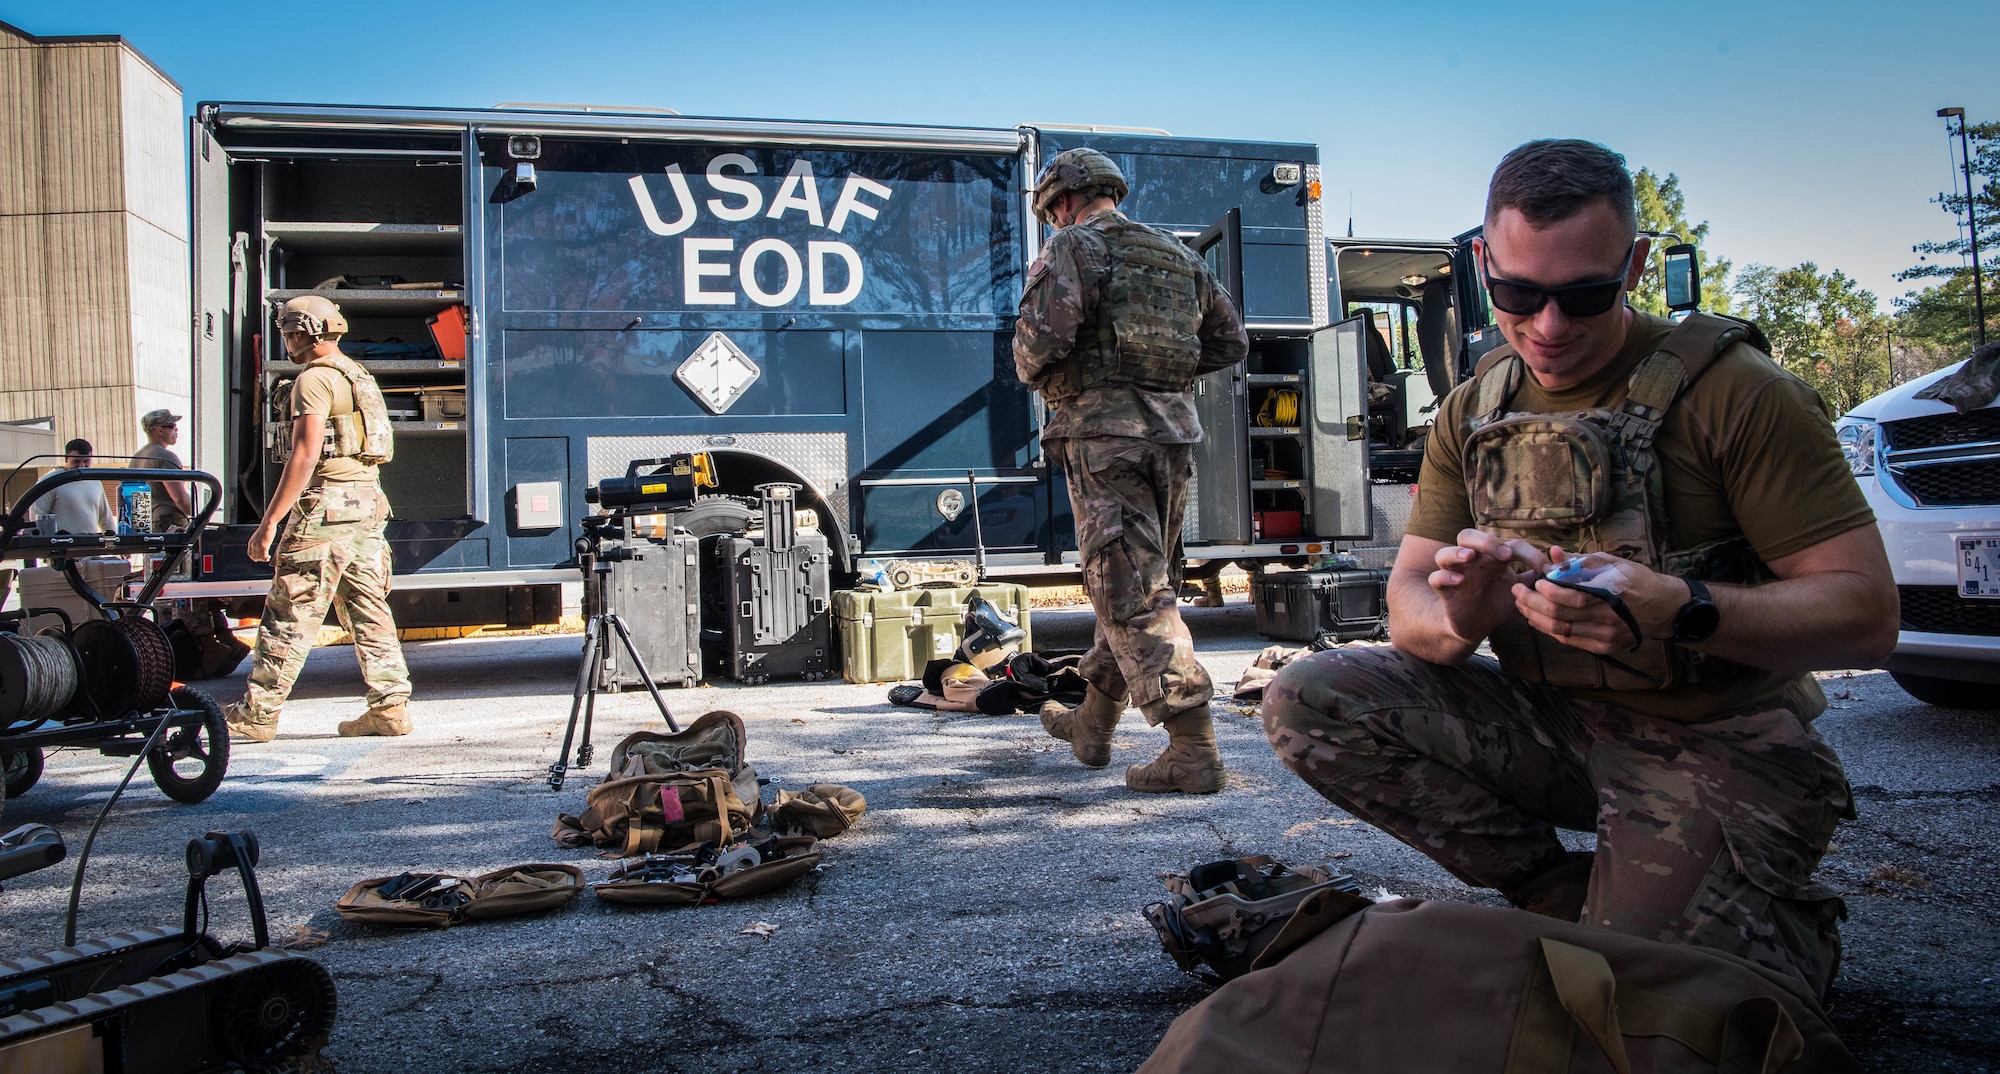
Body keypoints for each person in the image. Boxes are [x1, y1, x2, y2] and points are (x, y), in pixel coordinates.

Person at [1258, 139, 1897, 999]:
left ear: (1634, 265)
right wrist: (1463, 614)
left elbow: (1866, 614)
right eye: (1518, 294)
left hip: (1716, 735)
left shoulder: (1738, 395)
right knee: (1308, 695)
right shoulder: (1474, 407)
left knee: (1660, 1013)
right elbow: (1410, 604)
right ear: (1483, 264)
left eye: (1586, 295)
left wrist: (1684, 607)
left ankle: (1744, 931)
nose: (1548, 327)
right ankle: (1556, 896)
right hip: (1556, 724)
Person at [1014, 148, 1249, 794]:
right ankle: (1093, 726)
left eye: (1051, 210)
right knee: (1130, 576)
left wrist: (1096, 381)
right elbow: (1231, 341)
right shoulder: (1179, 256)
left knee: (1131, 589)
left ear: (1062, 202)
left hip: (1102, 439)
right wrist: (1160, 376)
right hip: (1170, 440)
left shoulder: (1074, 249)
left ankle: (1193, 747)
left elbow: (1034, 351)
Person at [223, 294, 412, 742]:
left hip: (326, 507)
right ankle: (390, 708)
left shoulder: (313, 380)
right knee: (369, 611)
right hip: (367, 505)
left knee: (290, 611)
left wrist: (269, 521)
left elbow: (305, 454)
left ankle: (257, 715)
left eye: (288, 331)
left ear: (301, 332)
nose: (286, 339)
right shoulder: (357, 375)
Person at [31, 439, 116, 534]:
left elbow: (106, 519)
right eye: (76, 461)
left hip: (91, 545)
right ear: (66, 459)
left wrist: (115, 540)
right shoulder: (50, 481)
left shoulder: (95, 482)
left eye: (86, 461)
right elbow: (37, 519)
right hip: (61, 546)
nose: (81, 466)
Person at [132, 409, 193, 531]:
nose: (176, 430)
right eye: (172, 426)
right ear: (159, 430)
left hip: (145, 527)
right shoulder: (166, 457)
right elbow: (180, 498)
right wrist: (204, 515)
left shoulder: (136, 459)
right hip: (169, 525)